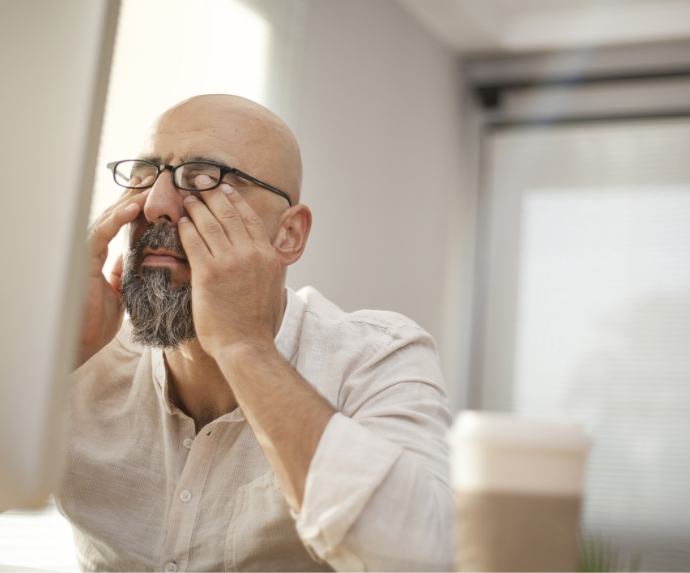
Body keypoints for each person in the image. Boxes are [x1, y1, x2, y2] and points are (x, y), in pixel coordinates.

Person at [57, 94, 453, 571]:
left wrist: (243, 346)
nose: (156, 204)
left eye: (205, 180)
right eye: (143, 177)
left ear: (289, 235)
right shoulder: (84, 348)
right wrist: (56, 358)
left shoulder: (377, 356)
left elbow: (423, 558)